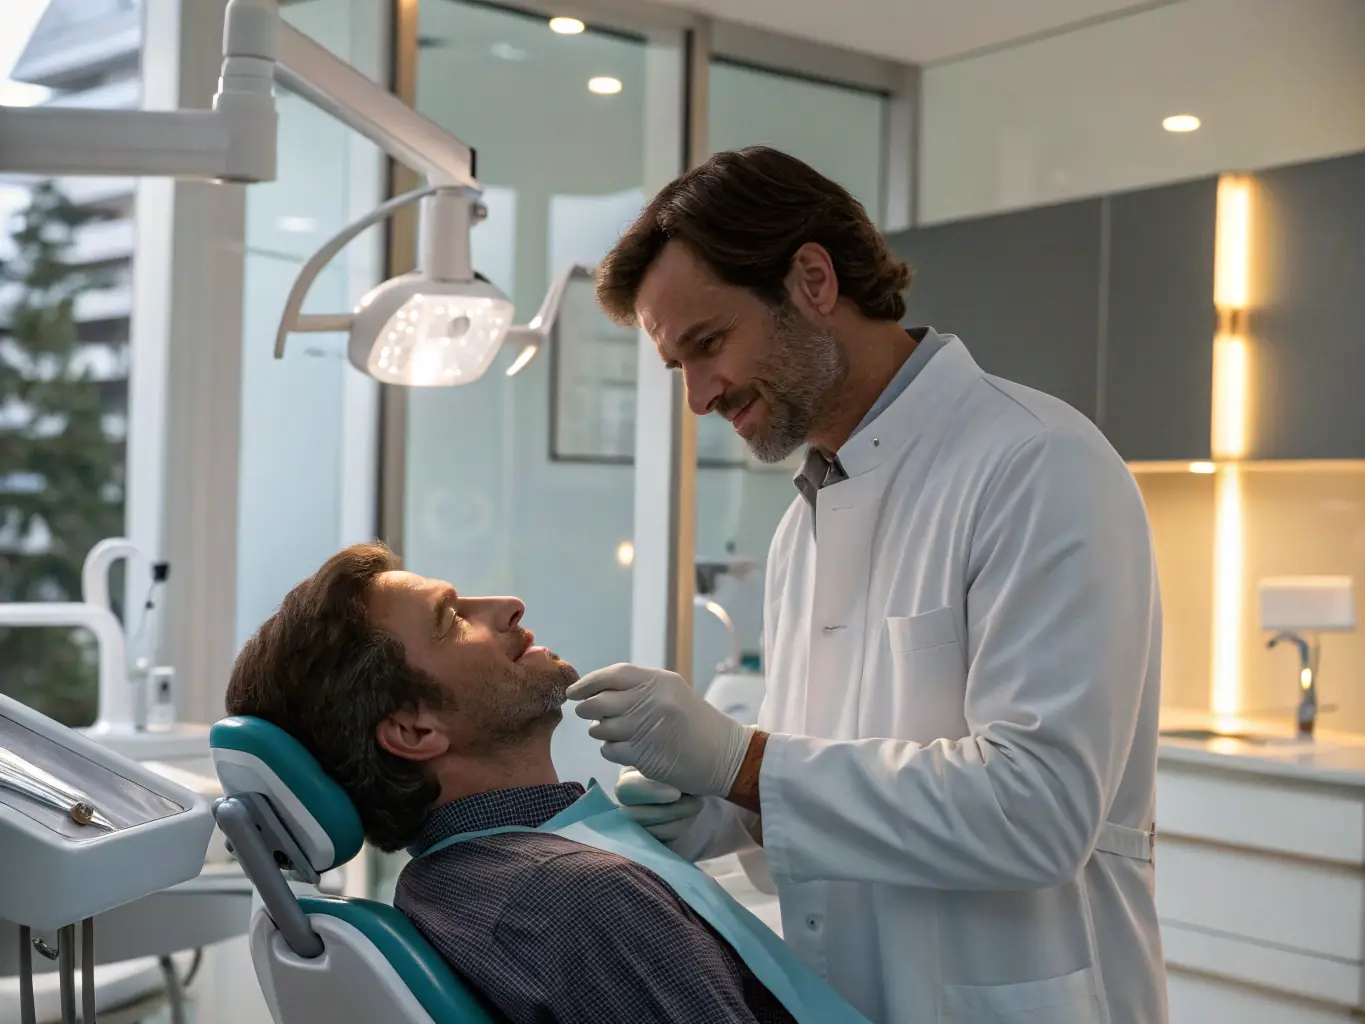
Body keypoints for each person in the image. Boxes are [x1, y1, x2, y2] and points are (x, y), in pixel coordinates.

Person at [569, 145, 1167, 1024]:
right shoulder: (801, 524)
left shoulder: (1035, 463)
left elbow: (1036, 812)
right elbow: (845, 777)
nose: (698, 397)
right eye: (677, 368)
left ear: (812, 280)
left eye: (708, 344)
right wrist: (719, 814)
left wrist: (743, 764)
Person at [225, 542, 810, 1024]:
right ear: (413, 728)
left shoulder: (449, 884)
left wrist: (730, 814)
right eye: (451, 619)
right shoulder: (576, 898)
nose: (509, 606)